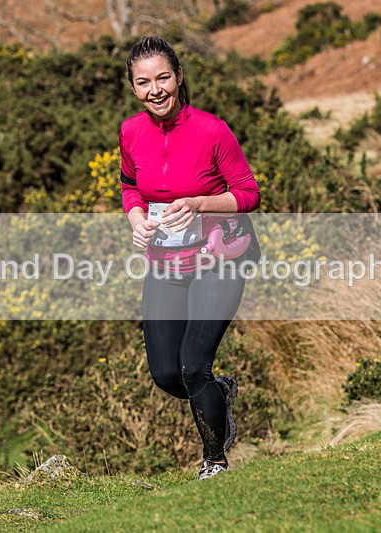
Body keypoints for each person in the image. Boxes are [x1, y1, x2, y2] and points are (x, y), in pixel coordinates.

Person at [119, 35, 261, 480]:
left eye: (163, 77)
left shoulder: (212, 130)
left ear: (179, 77)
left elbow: (249, 194)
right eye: (144, 82)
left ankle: (214, 461)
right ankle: (219, 394)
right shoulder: (131, 132)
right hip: (166, 262)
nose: (155, 89)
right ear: (134, 88)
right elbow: (129, 186)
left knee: (193, 364)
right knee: (166, 374)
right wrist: (136, 219)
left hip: (220, 258)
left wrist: (201, 203)